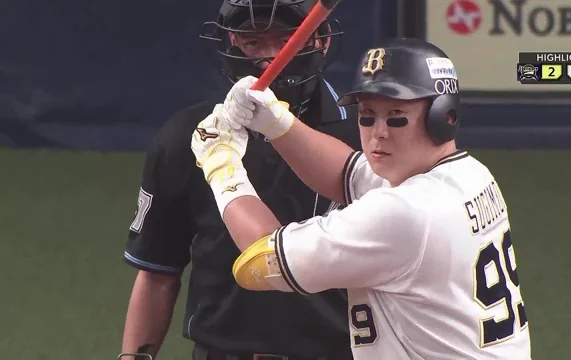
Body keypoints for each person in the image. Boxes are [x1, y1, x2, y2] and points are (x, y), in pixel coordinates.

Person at [190, 37, 532, 359]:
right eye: (367, 116)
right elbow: (348, 173)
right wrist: (276, 122)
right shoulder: (468, 175)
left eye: (396, 117)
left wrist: (221, 164)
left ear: (444, 117)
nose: (377, 132)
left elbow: (262, 260)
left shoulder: (406, 213)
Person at [120, 1, 359, 359]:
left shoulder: (369, 137)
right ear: (232, 41)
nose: (270, 58)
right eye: (253, 42)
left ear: (321, 39)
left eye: (287, 38)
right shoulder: (189, 135)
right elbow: (157, 273)